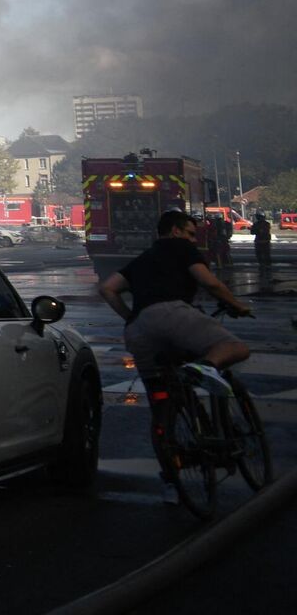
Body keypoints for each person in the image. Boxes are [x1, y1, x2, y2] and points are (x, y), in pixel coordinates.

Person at [97, 209, 253, 502]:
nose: (194, 238)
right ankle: (205, 368)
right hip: (172, 314)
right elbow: (209, 282)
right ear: (176, 231)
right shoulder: (182, 248)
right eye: (191, 233)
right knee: (234, 348)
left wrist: (130, 317)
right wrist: (237, 304)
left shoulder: (143, 259)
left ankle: (171, 479)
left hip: (139, 331)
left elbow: (107, 288)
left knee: (161, 408)